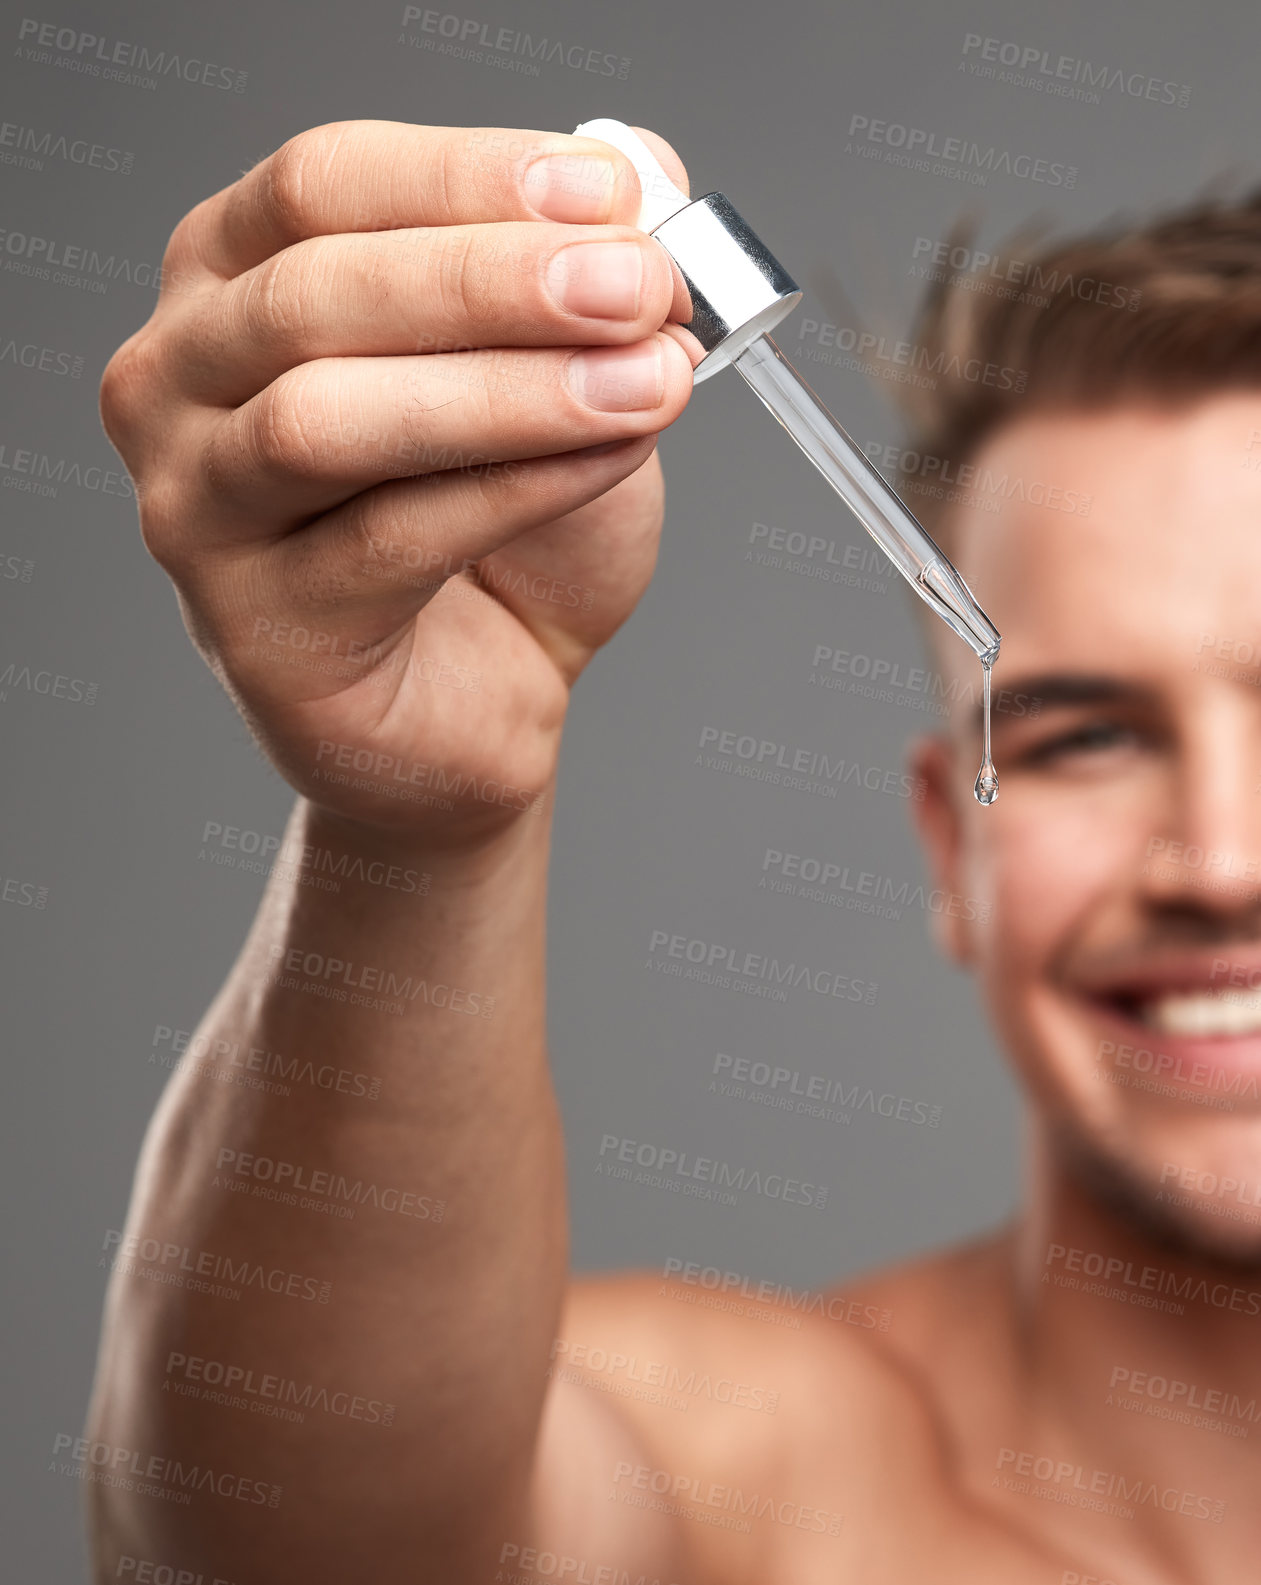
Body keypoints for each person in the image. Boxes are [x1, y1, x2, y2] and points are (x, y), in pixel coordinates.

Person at [85, 119, 1261, 1584]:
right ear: (947, 839)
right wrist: (428, 820)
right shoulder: (748, 1481)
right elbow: (297, 1546)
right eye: (1082, 737)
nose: (1221, 858)